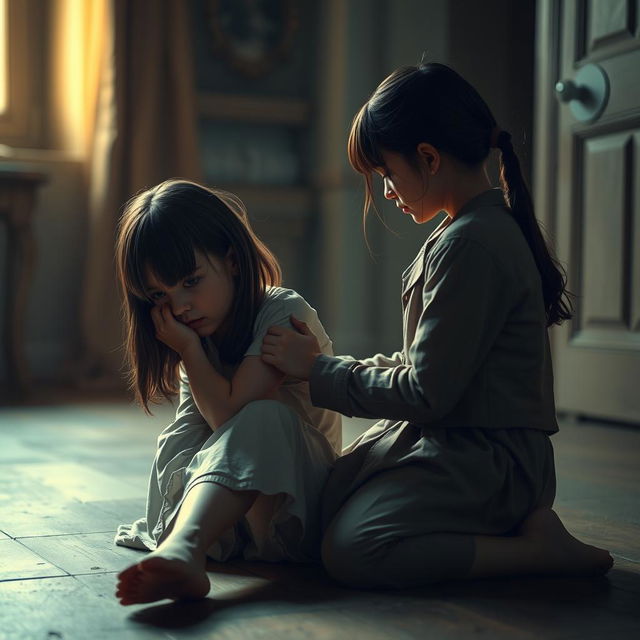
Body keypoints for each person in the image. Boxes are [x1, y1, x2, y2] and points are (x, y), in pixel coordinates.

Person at [260, 62, 614, 588]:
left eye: (387, 175)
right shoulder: (466, 233)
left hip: (492, 463)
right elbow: (424, 366)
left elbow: (426, 392)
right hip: (466, 448)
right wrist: (322, 367)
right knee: (329, 504)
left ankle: (535, 551)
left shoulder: (471, 244)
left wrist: (319, 371)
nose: (386, 193)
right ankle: (518, 529)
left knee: (354, 549)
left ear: (427, 157)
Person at [112, 179, 341, 605]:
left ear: (233, 261)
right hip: (228, 530)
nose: (179, 307)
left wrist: (189, 351)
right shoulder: (198, 335)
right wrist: (193, 352)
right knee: (194, 431)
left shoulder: (282, 312)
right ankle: (186, 545)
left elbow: (231, 419)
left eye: (191, 281)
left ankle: (185, 548)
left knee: (262, 415)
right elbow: (193, 439)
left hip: (293, 512)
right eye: (160, 295)